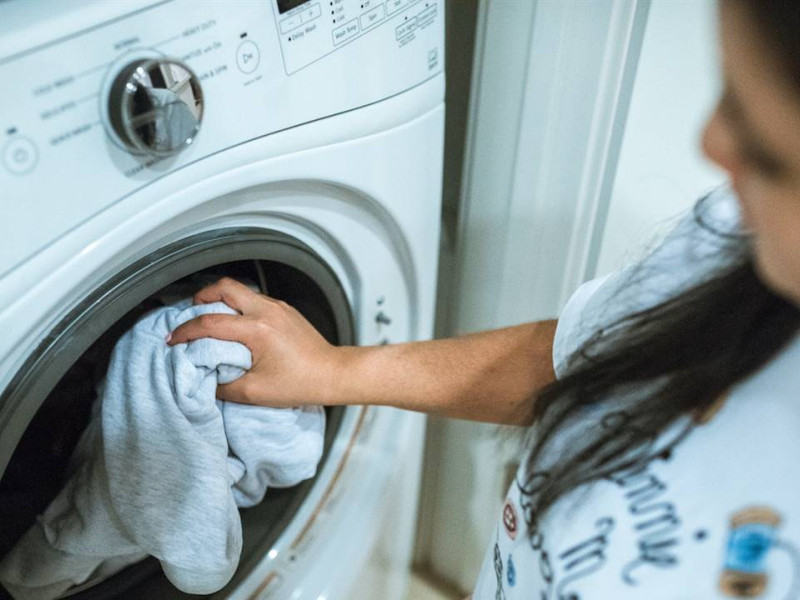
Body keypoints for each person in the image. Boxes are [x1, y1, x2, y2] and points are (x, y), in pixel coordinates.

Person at [168, 1, 800, 597]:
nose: (712, 144)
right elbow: (572, 357)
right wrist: (333, 368)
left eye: (764, 146)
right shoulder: (734, 237)